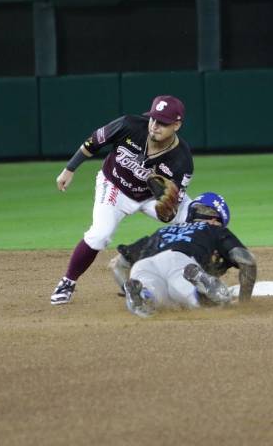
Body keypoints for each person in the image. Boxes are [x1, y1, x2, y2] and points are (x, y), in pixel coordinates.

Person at [50, 95, 194, 305]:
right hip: (115, 187)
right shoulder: (129, 125)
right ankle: (67, 281)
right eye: (153, 119)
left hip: (149, 197)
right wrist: (69, 169)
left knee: (194, 219)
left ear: (177, 125)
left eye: (163, 123)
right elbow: (94, 141)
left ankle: (193, 279)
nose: (155, 126)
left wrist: (167, 210)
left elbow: (170, 211)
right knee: (100, 235)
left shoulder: (182, 160)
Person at [120, 192, 258, 318]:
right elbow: (246, 261)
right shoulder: (214, 228)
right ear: (215, 219)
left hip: (143, 266)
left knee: (154, 302)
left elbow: (118, 265)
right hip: (181, 264)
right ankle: (202, 288)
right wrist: (244, 303)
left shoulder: (162, 231)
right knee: (200, 300)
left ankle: (141, 292)